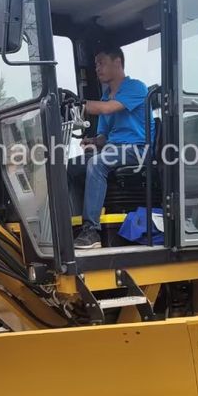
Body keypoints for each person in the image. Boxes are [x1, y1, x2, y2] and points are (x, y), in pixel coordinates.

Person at [73, 44, 151, 250]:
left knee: (97, 163)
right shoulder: (105, 96)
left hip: (137, 150)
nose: (97, 68)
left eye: (101, 63)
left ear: (117, 62)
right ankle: (70, 225)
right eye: (95, 64)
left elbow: (107, 109)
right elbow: (104, 137)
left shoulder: (136, 88)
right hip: (113, 149)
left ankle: (91, 231)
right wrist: (93, 141)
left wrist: (77, 105)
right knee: (70, 168)